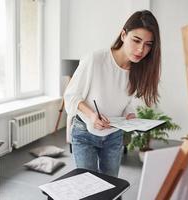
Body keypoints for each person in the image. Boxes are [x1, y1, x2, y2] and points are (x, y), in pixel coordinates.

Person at [64, 10, 161, 177]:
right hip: (85, 133)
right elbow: (71, 96)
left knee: (110, 185)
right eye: (136, 40)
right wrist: (92, 115)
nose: (141, 50)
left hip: (114, 136)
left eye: (148, 44)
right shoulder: (95, 59)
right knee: (88, 188)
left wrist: (129, 114)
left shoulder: (139, 69)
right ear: (123, 35)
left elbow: (127, 101)